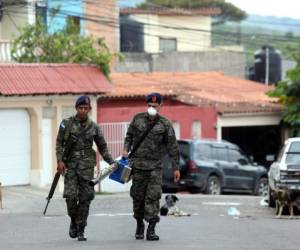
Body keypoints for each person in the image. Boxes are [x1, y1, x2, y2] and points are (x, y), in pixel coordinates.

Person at [56, 95, 115, 241]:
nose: (83, 110)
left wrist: (112, 162)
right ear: (76, 108)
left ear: (89, 109)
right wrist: (59, 161)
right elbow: (59, 143)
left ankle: (81, 229)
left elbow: (103, 147)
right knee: (70, 197)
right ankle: (73, 220)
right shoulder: (66, 124)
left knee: (86, 199)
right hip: (70, 166)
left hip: (87, 168)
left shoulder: (94, 127)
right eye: (80, 108)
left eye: (86, 108)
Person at [122, 92, 180, 241]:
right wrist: (125, 149)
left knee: (153, 197)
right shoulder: (137, 119)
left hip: (155, 167)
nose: (151, 108)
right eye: (149, 105)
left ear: (160, 106)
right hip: (138, 166)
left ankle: (152, 229)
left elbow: (173, 147)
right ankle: (140, 224)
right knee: (138, 198)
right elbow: (129, 136)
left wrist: (176, 168)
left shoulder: (165, 124)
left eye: (154, 106)